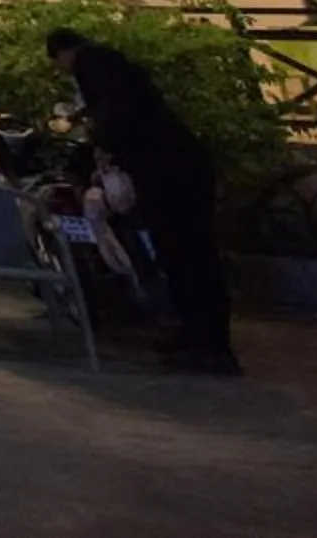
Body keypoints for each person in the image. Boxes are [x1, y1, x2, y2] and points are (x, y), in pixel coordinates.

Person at [45, 27, 237, 374]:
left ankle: (210, 344)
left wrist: (103, 147)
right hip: (174, 169)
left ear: (63, 53)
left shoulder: (95, 65)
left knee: (188, 255)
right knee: (183, 254)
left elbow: (114, 116)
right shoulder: (113, 66)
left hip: (169, 173)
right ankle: (197, 334)